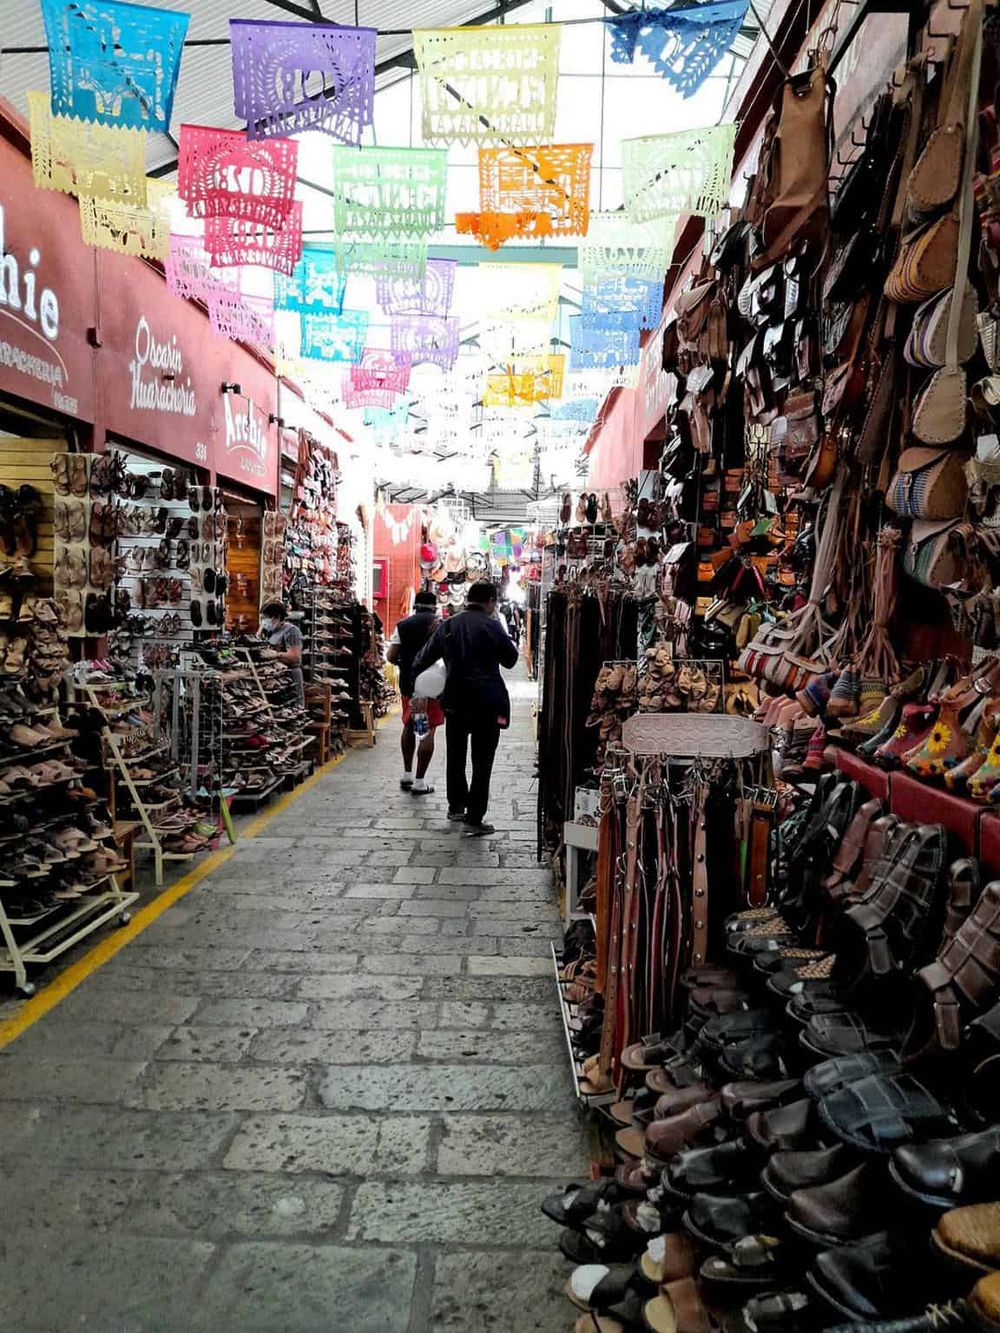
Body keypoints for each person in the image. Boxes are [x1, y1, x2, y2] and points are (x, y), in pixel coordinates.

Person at [412, 579, 518, 836]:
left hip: (456, 701)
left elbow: (422, 658)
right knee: (483, 762)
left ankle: (456, 806)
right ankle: (474, 817)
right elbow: (511, 660)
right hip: (487, 703)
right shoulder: (493, 626)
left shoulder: (448, 625)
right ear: (491, 602)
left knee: (456, 757)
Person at [386, 591, 442, 796]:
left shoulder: (403, 625)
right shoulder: (442, 626)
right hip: (434, 686)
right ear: (434, 607)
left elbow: (391, 656)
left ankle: (407, 774)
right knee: (427, 730)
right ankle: (419, 782)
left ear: (415, 606)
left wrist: (405, 663)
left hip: (410, 686)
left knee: (411, 725)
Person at [259, 600, 304, 706]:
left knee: (293, 707)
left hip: (290, 675)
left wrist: (276, 654)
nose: (264, 622)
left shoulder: (291, 631)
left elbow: (295, 657)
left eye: (266, 618)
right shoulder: (271, 632)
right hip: (278, 677)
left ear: (277, 617)